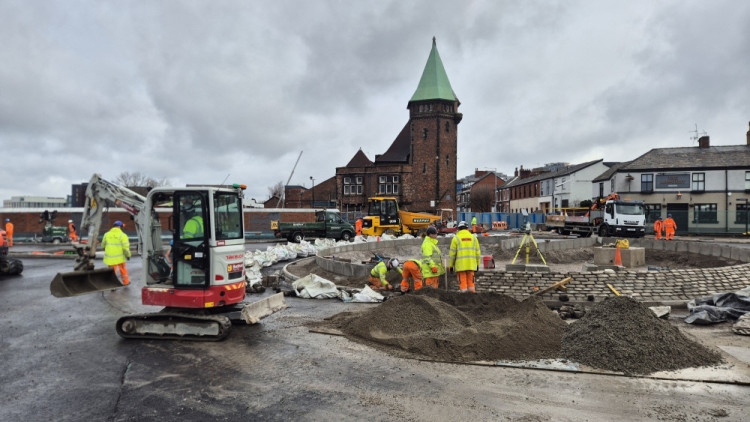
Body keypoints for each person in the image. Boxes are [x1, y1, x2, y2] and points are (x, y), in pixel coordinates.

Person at [449, 221, 481, 293]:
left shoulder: (456, 238)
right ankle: (472, 298)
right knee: (471, 285)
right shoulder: (474, 238)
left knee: (463, 285)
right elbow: (478, 253)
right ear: (467, 228)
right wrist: (477, 265)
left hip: (461, 266)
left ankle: (464, 299)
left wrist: (451, 266)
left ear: (459, 229)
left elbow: (452, 254)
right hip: (471, 265)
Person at [102, 221, 131, 286]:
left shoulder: (106, 234)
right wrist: (128, 255)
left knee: (112, 272)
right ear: (120, 227)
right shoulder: (123, 235)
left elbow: (103, 245)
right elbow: (125, 248)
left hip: (110, 258)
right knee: (123, 270)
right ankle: (126, 282)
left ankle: (113, 285)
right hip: (120, 258)